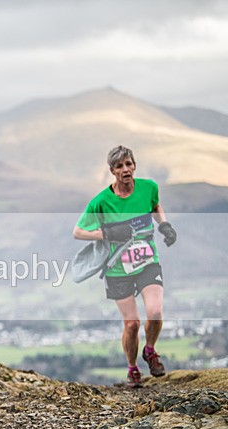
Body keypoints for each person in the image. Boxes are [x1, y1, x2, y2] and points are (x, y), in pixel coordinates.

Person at [73, 145, 177, 388]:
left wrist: (164, 225)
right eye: (119, 166)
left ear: (134, 165)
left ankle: (150, 351)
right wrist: (107, 232)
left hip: (147, 261)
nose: (125, 169)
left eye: (129, 164)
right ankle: (132, 369)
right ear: (112, 171)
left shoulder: (148, 187)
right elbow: (78, 232)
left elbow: (155, 206)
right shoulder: (101, 202)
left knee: (155, 312)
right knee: (132, 324)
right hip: (117, 269)